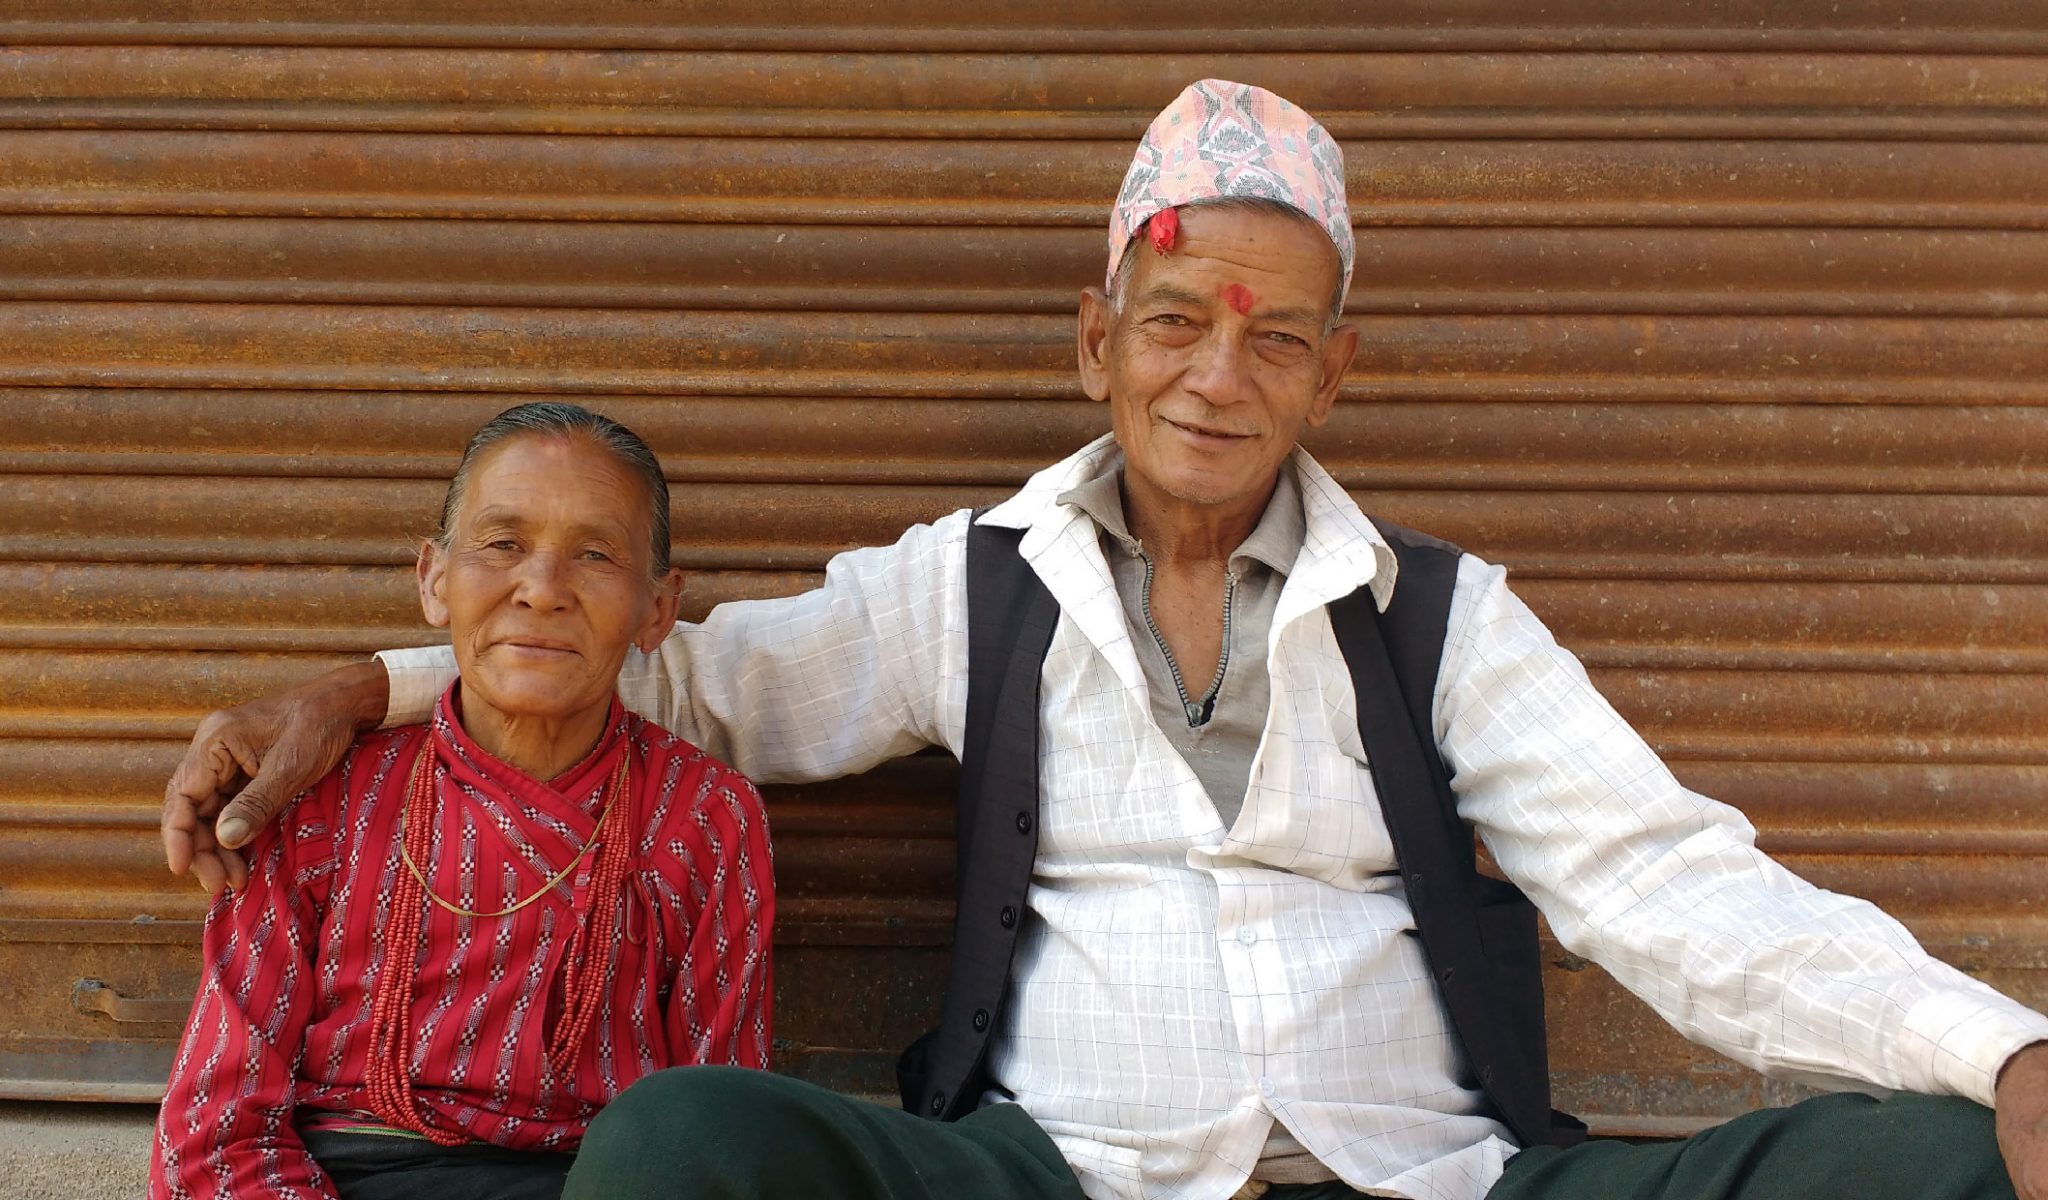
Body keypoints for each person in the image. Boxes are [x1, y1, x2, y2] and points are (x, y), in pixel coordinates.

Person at [162, 81, 2047, 1200]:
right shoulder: (964, 586)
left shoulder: (1439, 617)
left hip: (1427, 1176)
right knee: (675, 1148)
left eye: (1273, 335)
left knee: (1945, 1166)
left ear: (1332, 370)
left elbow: (1668, 891)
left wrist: (2004, 1054)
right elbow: (662, 668)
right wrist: (358, 688)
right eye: (1173, 323)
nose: (1215, 377)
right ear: (1097, 339)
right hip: (1054, 1175)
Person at [150, 403, 774, 1200]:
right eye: (503, 544)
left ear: (657, 609)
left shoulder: (707, 815)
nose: (542, 590)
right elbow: (213, 1124)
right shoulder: (320, 796)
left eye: (594, 553)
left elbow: (721, 1129)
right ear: (434, 580)